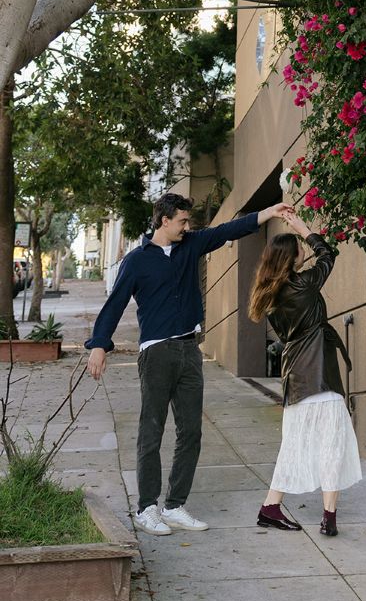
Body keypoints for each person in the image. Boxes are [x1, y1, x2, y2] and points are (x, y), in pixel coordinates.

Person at [85, 192, 294, 536]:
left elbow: (229, 229)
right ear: (164, 221)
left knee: (191, 432)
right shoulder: (136, 261)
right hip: (156, 354)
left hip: (189, 352)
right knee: (152, 431)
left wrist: (269, 211)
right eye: (182, 221)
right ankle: (147, 508)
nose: (187, 227)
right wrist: (99, 345)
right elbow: (116, 302)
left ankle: (174, 505)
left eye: (188, 222)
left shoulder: (191, 245)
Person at [248, 207, 361, 537]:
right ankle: (328, 516)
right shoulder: (306, 284)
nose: (304, 250)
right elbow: (328, 252)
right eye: (300, 247)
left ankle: (271, 507)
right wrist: (300, 224)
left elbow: (287, 337)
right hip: (320, 373)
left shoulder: (269, 298)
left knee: (294, 444)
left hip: (295, 376)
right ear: (293, 257)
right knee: (332, 444)